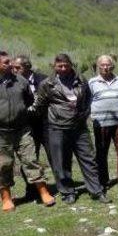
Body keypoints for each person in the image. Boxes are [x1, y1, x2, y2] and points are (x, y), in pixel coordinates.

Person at [34, 53, 110, 204]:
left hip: (79, 128)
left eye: (66, 65)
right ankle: (67, 192)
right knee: (61, 162)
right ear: (54, 67)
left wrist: (84, 114)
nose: (63, 68)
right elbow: (40, 105)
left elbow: (88, 99)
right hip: (57, 128)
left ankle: (96, 191)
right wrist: (52, 119)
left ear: (71, 65)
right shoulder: (47, 84)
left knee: (88, 159)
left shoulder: (81, 80)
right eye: (59, 66)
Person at [0, 52, 54, 211]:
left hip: (22, 130)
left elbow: (29, 100)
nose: (9, 64)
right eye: (5, 62)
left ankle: (44, 192)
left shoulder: (20, 81)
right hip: (1, 133)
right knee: (3, 165)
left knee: (30, 160)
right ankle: (6, 198)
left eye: (9, 61)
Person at [88, 55, 118, 189]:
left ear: (112, 66)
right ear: (98, 66)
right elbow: (87, 100)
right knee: (101, 151)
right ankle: (103, 179)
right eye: (102, 65)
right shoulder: (92, 82)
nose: (105, 67)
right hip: (100, 122)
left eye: (108, 65)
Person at [11, 55, 49, 163]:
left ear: (27, 67)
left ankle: (62, 179)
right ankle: (32, 179)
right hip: (27, 126)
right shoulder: (12, 82)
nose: (15, 70)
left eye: (18, 68)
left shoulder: (44, 80)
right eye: (13, 67)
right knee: (29, 158)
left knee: (54, 155)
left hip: (45, 123)